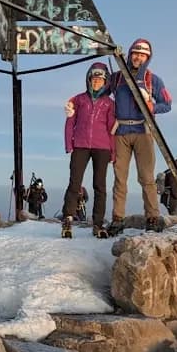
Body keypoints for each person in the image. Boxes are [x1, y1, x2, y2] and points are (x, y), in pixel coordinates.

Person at [108, 39, 172, 234]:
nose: (138, 57)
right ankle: (118, 218)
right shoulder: (117, 77)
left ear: (148, 57)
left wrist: (153, 107)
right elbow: (99, 93)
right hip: (121, 133)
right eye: (135, 53)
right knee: (120, 178)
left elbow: (167, 104)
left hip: (143, 131)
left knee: (147, 177)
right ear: (130, 54)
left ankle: (152, 217)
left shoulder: (153, 80)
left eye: (143, 55)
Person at [61, 62, 117, 238]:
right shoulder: (79, 99)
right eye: (94, 79)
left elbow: (112, 129)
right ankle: (68, 219)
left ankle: (98, 223)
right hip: (81, 145)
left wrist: (113, 151)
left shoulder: (109, 103)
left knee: (100, 185)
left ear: (105, 81)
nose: (96, 82)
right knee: (74, 183)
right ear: (88, 79)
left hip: (102, 147)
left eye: (100, 80)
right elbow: (70, 122)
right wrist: (69, 144)